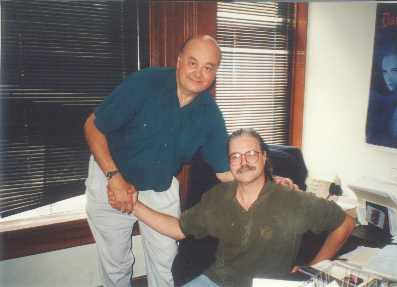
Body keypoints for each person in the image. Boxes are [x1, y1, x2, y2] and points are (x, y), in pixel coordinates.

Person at [84, 35, 297, 287]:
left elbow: (227, 173)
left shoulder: (210, 114)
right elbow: (92, 127)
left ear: (215, 73)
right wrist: (114, 178)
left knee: (166, 266)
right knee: (116, 266)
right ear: (179, 60)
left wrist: (270, 183)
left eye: (208, 67)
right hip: (112, 179)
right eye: (193, 63)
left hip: (160, 188)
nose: (199, 73)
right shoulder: (143, 83)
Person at [109, 128, 356, 287]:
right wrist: (134, 205)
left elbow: (346, 223)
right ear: (229, 162)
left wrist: (314, 267)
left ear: (264, 157)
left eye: (251, 154)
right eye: (236, 156)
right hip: (218, 281)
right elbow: (177, 229)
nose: (244, 162)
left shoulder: (293, 200)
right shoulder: (216, 197)